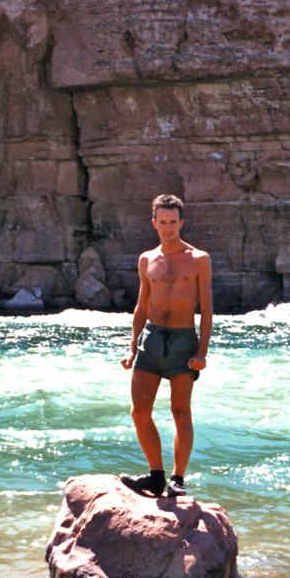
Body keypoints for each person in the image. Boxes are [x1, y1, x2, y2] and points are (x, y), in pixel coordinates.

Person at [119, 194, 213, 499]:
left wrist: (202, 352)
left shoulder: (199, 259)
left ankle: (178, 479)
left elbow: (208, 309)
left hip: (183, 340)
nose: (168, 228)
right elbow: (141, 306)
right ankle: (156, 475)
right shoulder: (147, 259)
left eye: (173, 222)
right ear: (154, 223)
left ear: (181, 223)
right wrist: (132, 346)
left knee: (180, 410)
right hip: (151, 338)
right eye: (163, 222)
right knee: (139, 412)